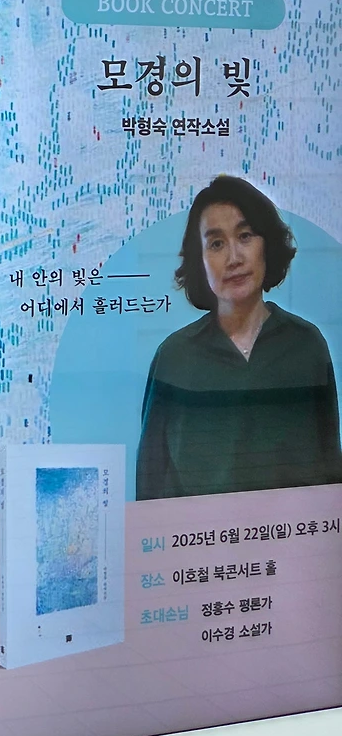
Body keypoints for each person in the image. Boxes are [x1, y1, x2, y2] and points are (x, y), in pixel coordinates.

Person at [136, 175, 342, 500]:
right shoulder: (174, 356)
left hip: (288, 532)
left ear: (267, 245)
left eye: (245, 236)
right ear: (200, 261)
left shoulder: (307, 345)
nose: (234, 258)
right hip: (199, 532)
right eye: (216, 244)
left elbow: (329, 472)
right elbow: (151, 485)